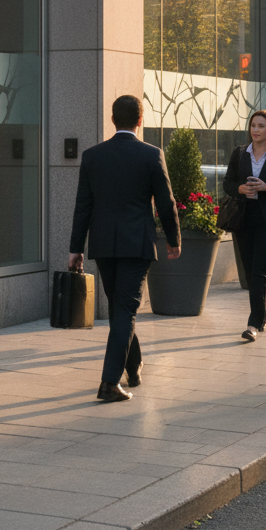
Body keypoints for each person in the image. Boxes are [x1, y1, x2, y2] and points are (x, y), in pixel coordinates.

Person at [68, 94, 181, 403]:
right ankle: (109, 383)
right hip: (137, 244)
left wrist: (75, 248)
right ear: (140, 121)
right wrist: (174, 240)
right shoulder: (151, 154)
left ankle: (133, 366)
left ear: (112, 119)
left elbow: (82, 206)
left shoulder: (93, 156)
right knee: (126, 310)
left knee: (120, 308)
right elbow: (166, 203)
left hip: (103, 245)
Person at [223, 110, 266, 342]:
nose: (255, 130)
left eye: (261, 126)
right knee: (251, 271)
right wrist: (240, 189)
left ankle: (254, 323)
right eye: (253, 125)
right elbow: (228, 183)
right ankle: (265, 313)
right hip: (243, 219)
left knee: (259, 271)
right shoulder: (239, 153)